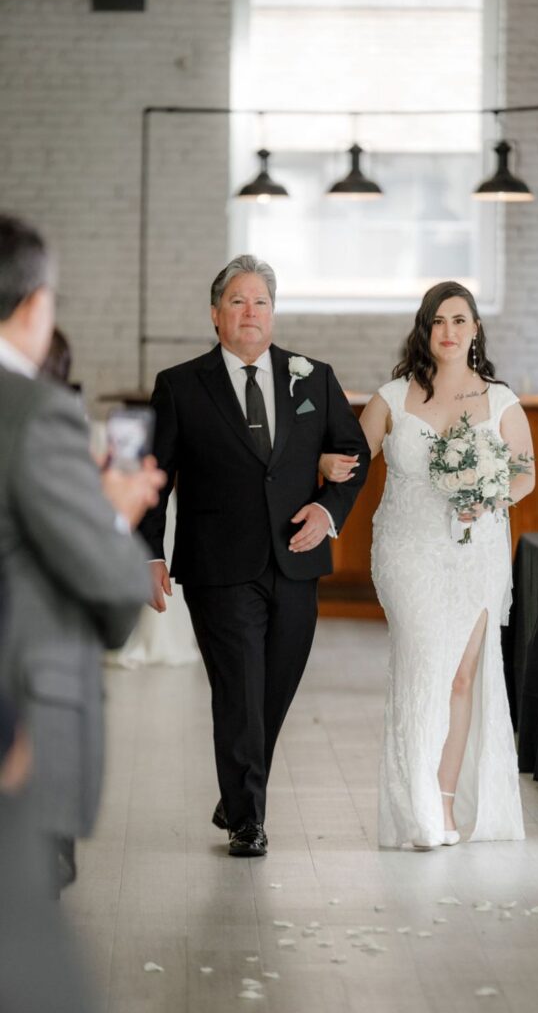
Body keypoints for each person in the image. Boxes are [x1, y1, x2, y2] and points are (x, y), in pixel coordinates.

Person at [139, 254, 370, 857]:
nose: (249, 312)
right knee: (239, 691)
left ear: (273, 312)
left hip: (296, 561)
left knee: (275, 688)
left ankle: (237, 791)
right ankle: (249, 819)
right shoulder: (180, 385)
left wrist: (328, 511)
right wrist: (148, 553)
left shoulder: (312, 377)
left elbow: (354, 453)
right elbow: (155, 476)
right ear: (216, 315)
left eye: (260, 301)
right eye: (237, 302)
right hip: (217, 566)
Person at [321, 281, 535, 849]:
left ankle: (441, 803)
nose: (448, 331)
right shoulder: (393, 397)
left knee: (463, 676)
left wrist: (491, 496)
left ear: (474, 330)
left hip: (476, 552)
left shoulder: (500, 400)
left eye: (459, 320)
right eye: (438, 321)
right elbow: (354, 459)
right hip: (407, 549)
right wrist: (322, 463)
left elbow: (525, 473)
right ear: (425, 329)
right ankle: (413, 804)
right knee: (423, 668)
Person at [0, 213, 164, 894]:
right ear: (37, 303)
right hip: (19, 723)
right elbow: (109, 589)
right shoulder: (35, 411)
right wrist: (115, 515)